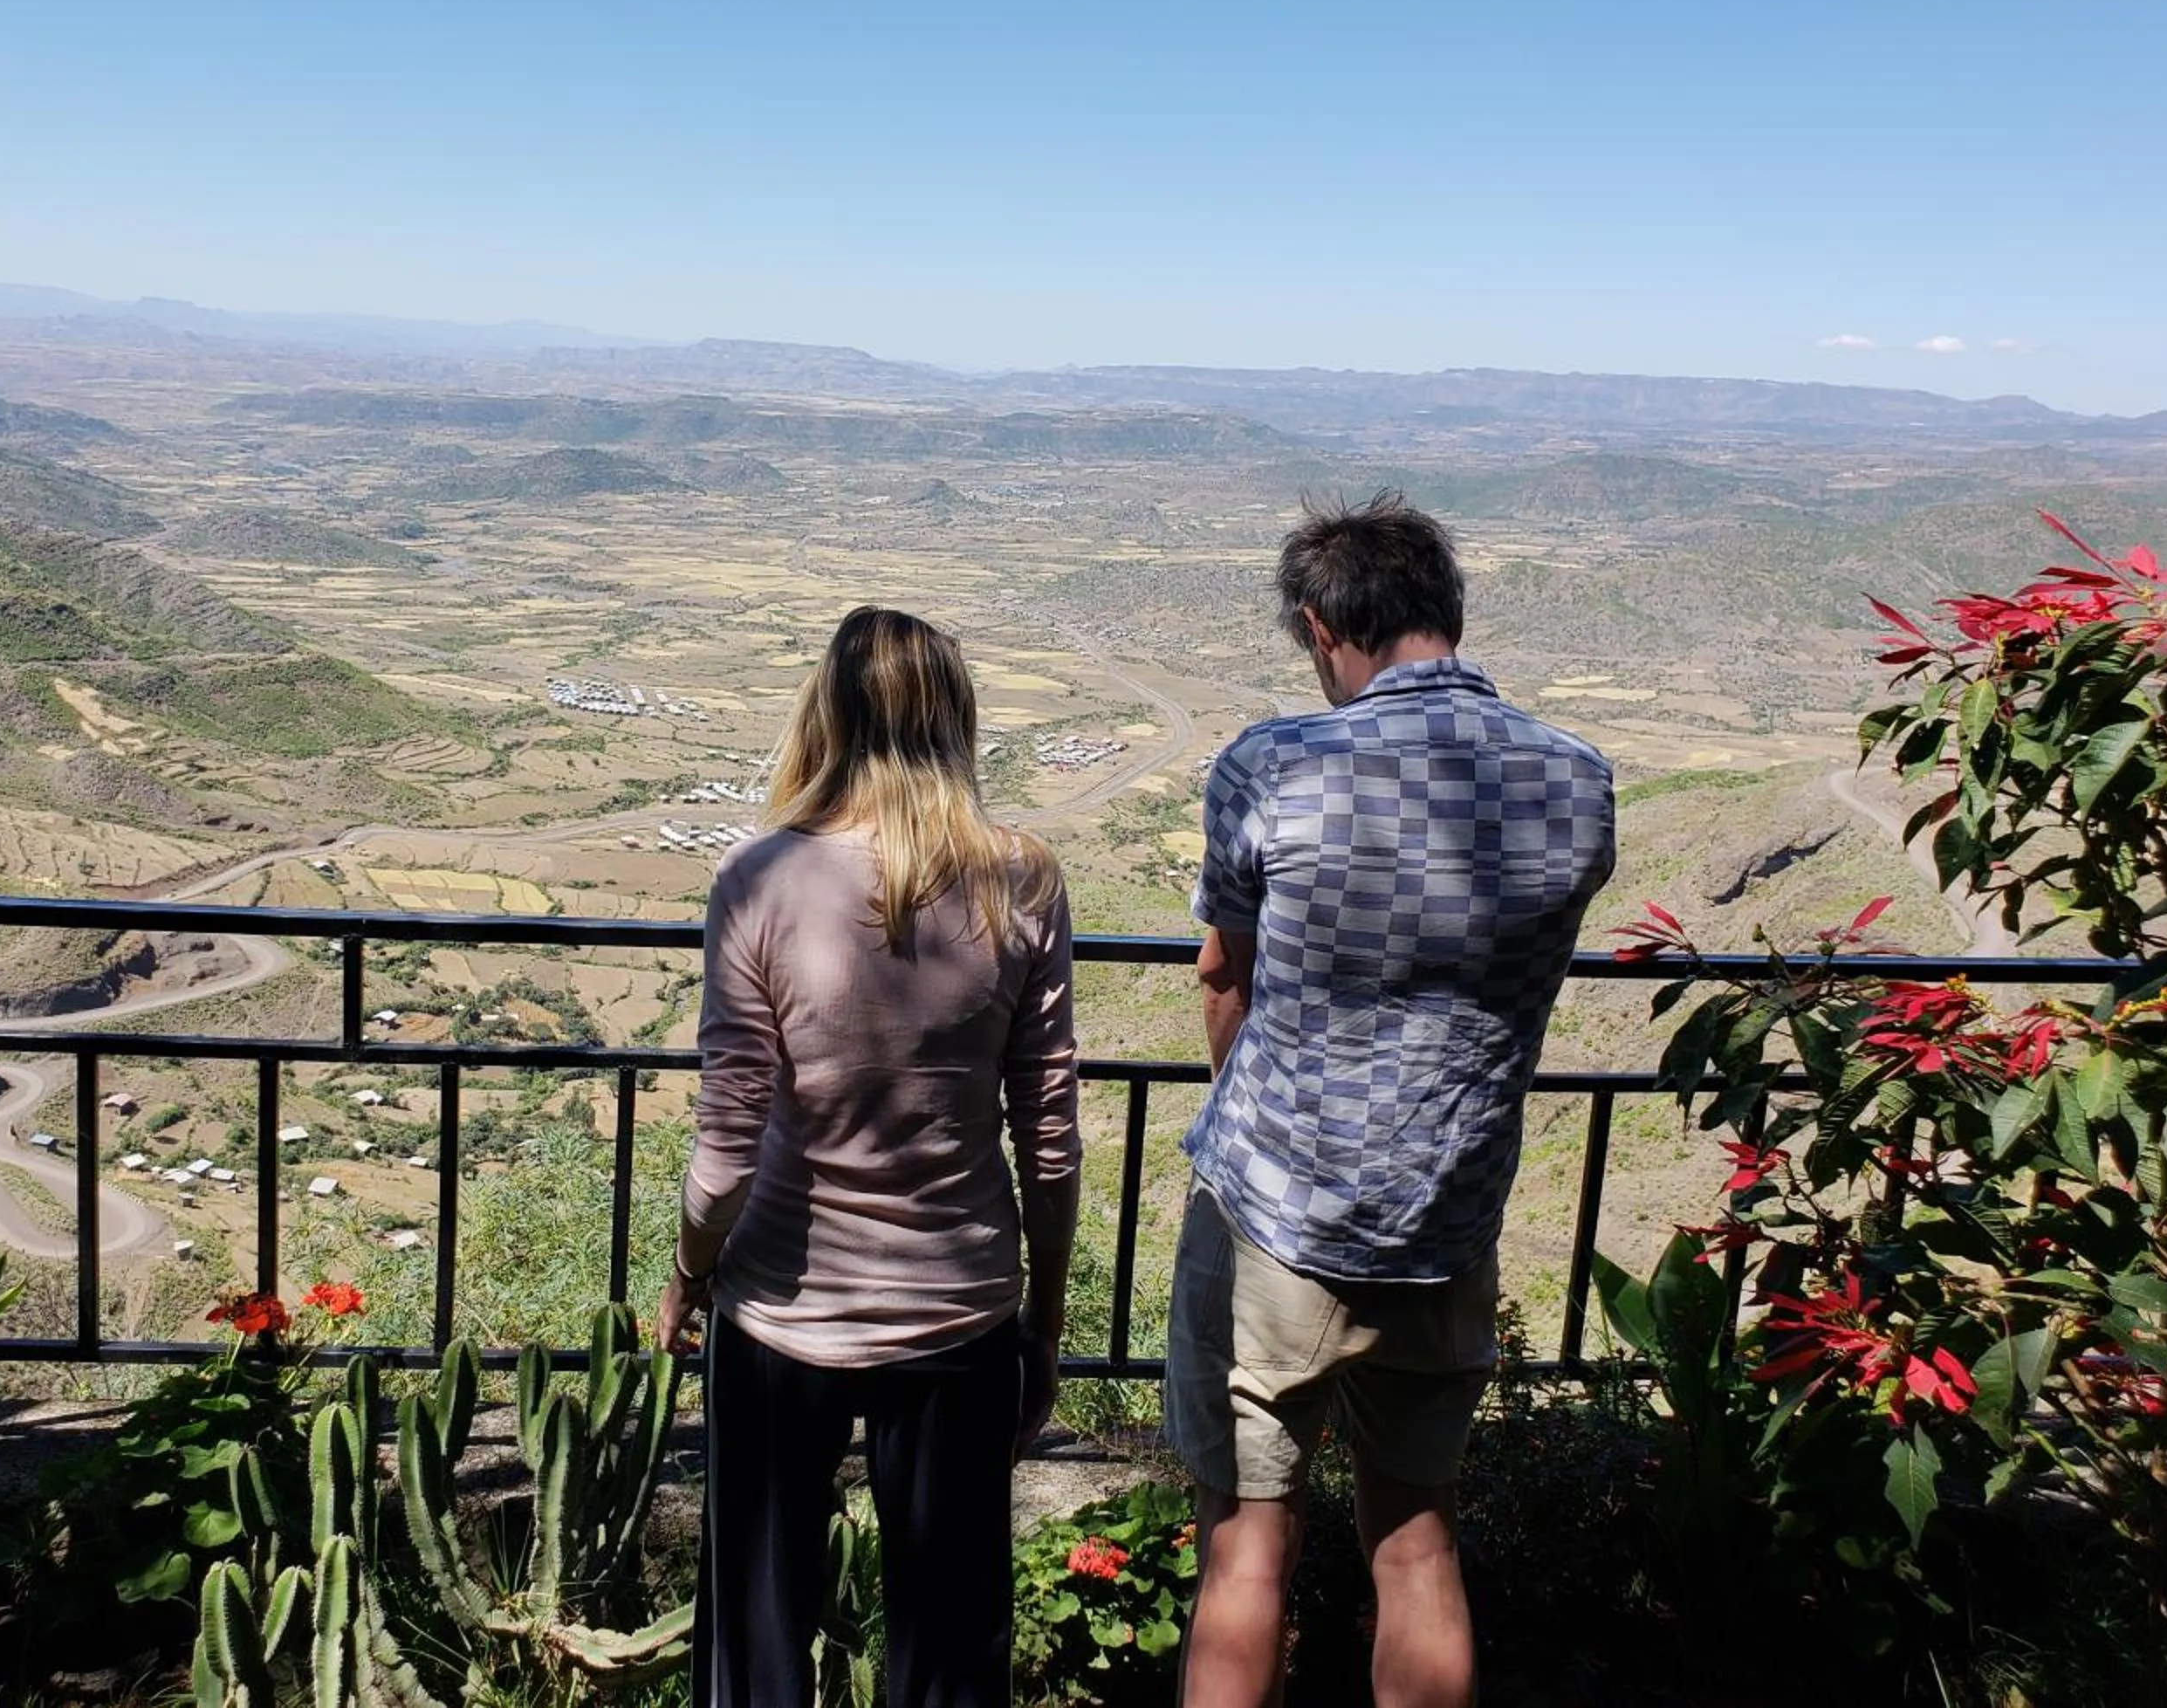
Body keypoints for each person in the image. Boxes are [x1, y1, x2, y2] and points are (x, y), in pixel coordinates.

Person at [1167, 494, 1616, 1708]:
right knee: (1415, 1541)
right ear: (1451, 615)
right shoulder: (1578, 782)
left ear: (1322, 631)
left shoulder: (1276, 762)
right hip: (1445, 1218)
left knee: (1244, 1547)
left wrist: (1248, 1100)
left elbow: (1225, 971)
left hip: (1274, 1216)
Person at [658, 605, 1081, 1708]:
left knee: (758, 1635)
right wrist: (1042, 1316)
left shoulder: (761, 880)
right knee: (948, 1647)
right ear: (957, 721)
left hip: (781, 1317)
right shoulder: (1021, 880)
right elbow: (1048, 1133)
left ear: (830, 715)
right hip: (959, 1314)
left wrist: (690, 1273)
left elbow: (728, 1138)